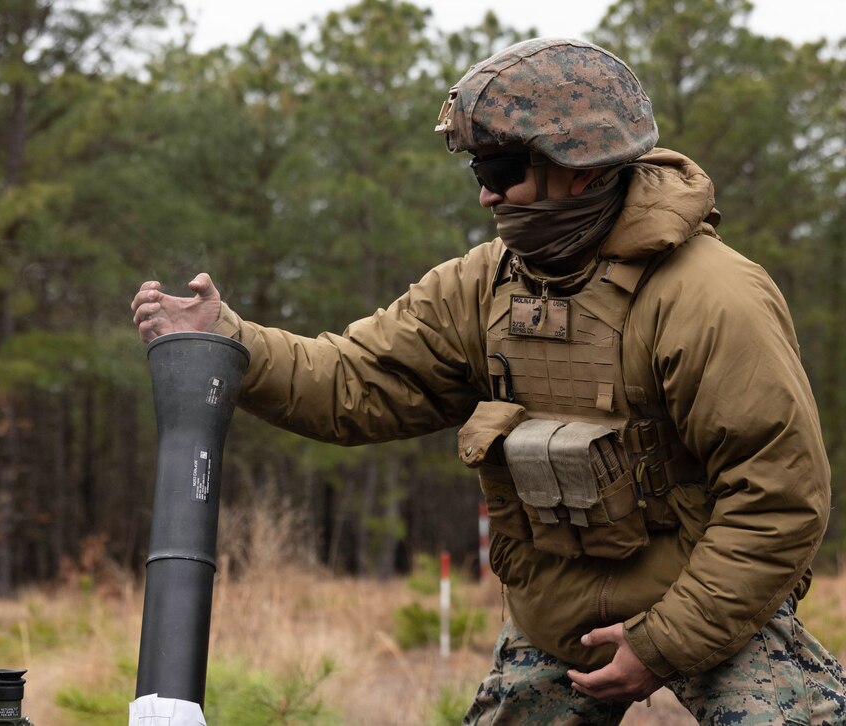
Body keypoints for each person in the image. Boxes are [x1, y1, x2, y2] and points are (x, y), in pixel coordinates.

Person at [131, 38, 846, 724]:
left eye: (501, 171)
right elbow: (355, 380)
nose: (486, 198)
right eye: (479, 174)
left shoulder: (712, 298)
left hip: (706, 606)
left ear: (584, 168)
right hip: (557, 620)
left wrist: (660, 646)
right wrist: (227, 338)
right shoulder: (481, 287)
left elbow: (778, 500)